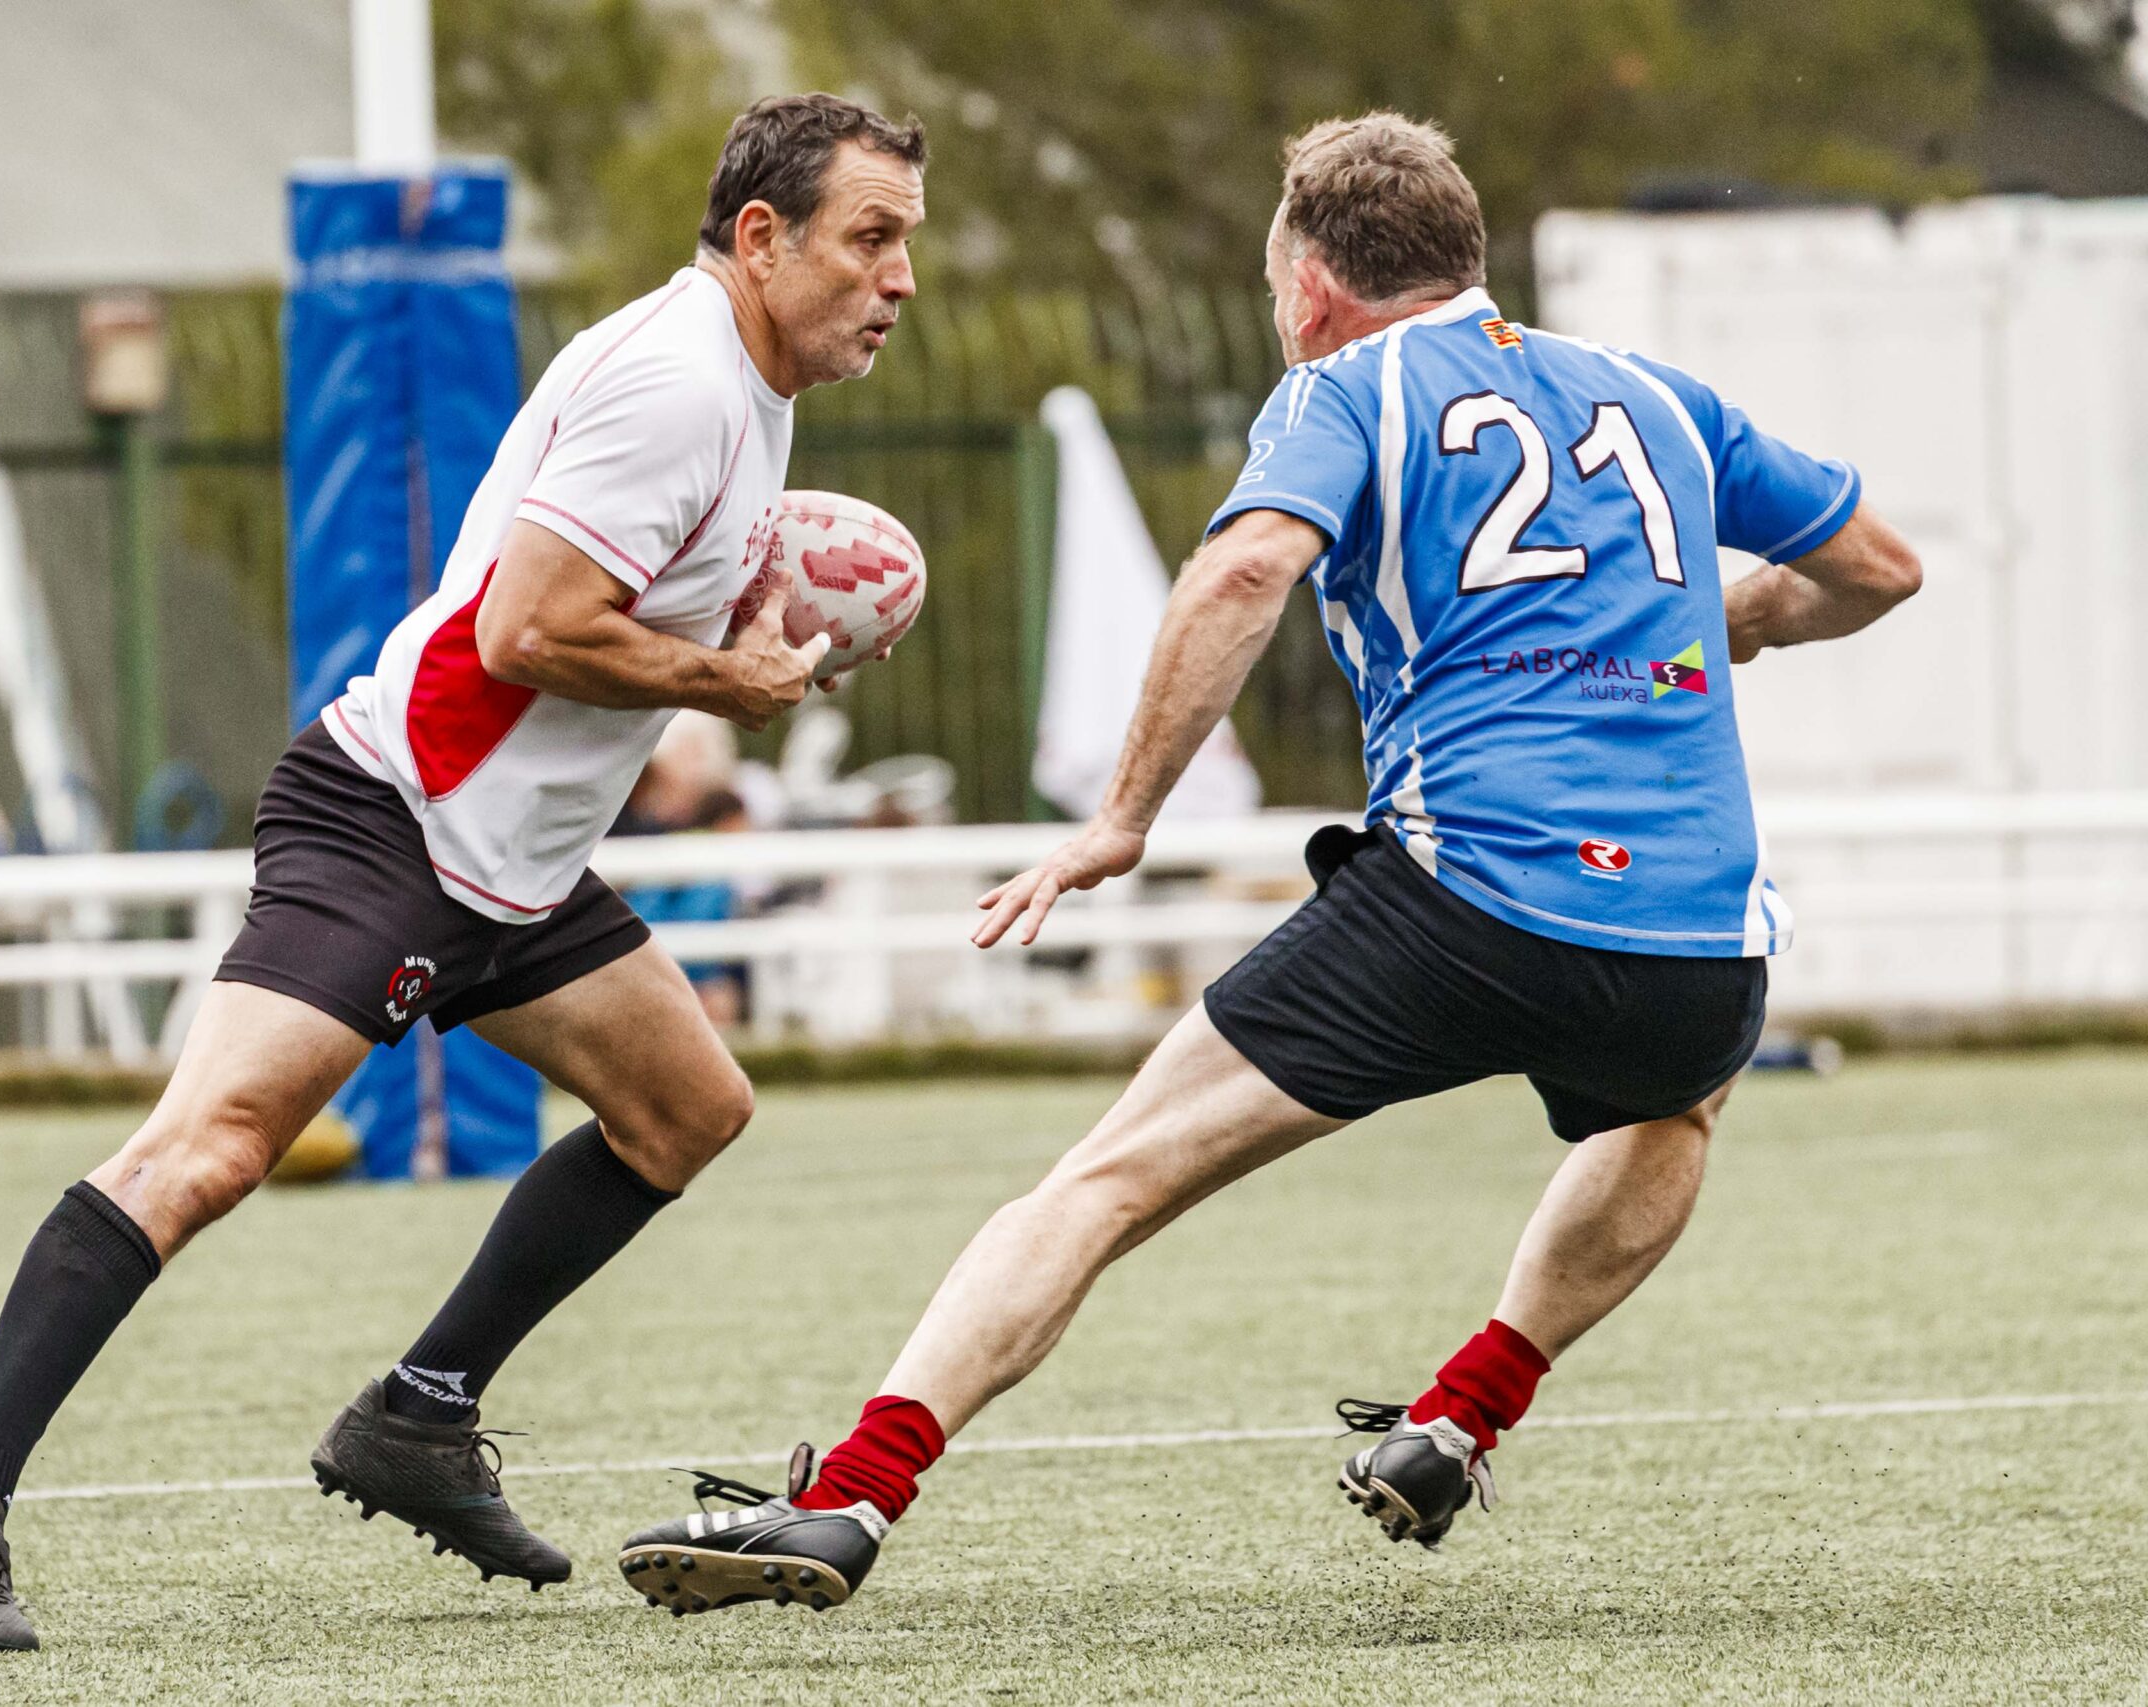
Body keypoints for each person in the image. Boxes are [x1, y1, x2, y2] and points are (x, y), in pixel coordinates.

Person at [614, 112, 1921, 1616]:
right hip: (1699, 921)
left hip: (1467, 896)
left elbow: (1243, 568)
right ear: (1464, 256)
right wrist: (1732, 617)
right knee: (1671, 1105)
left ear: (1309, 285)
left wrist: (1120, 818)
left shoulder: (1346, 385)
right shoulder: (1654, 390)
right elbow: (1880, 568)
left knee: (1107, 1178)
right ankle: (1469, 1412)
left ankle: (852, 1493)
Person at [0, 92, 926, 1653]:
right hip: (400, 821)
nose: (899, 280)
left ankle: (417, 1416)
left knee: (686, 1105)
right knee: (208, 1150)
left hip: (515, 864)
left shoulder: (748, 378)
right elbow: (527, 631)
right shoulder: (684, 382)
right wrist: (729, 683)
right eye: (871, 239)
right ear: (761, 238)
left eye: (908, 244)